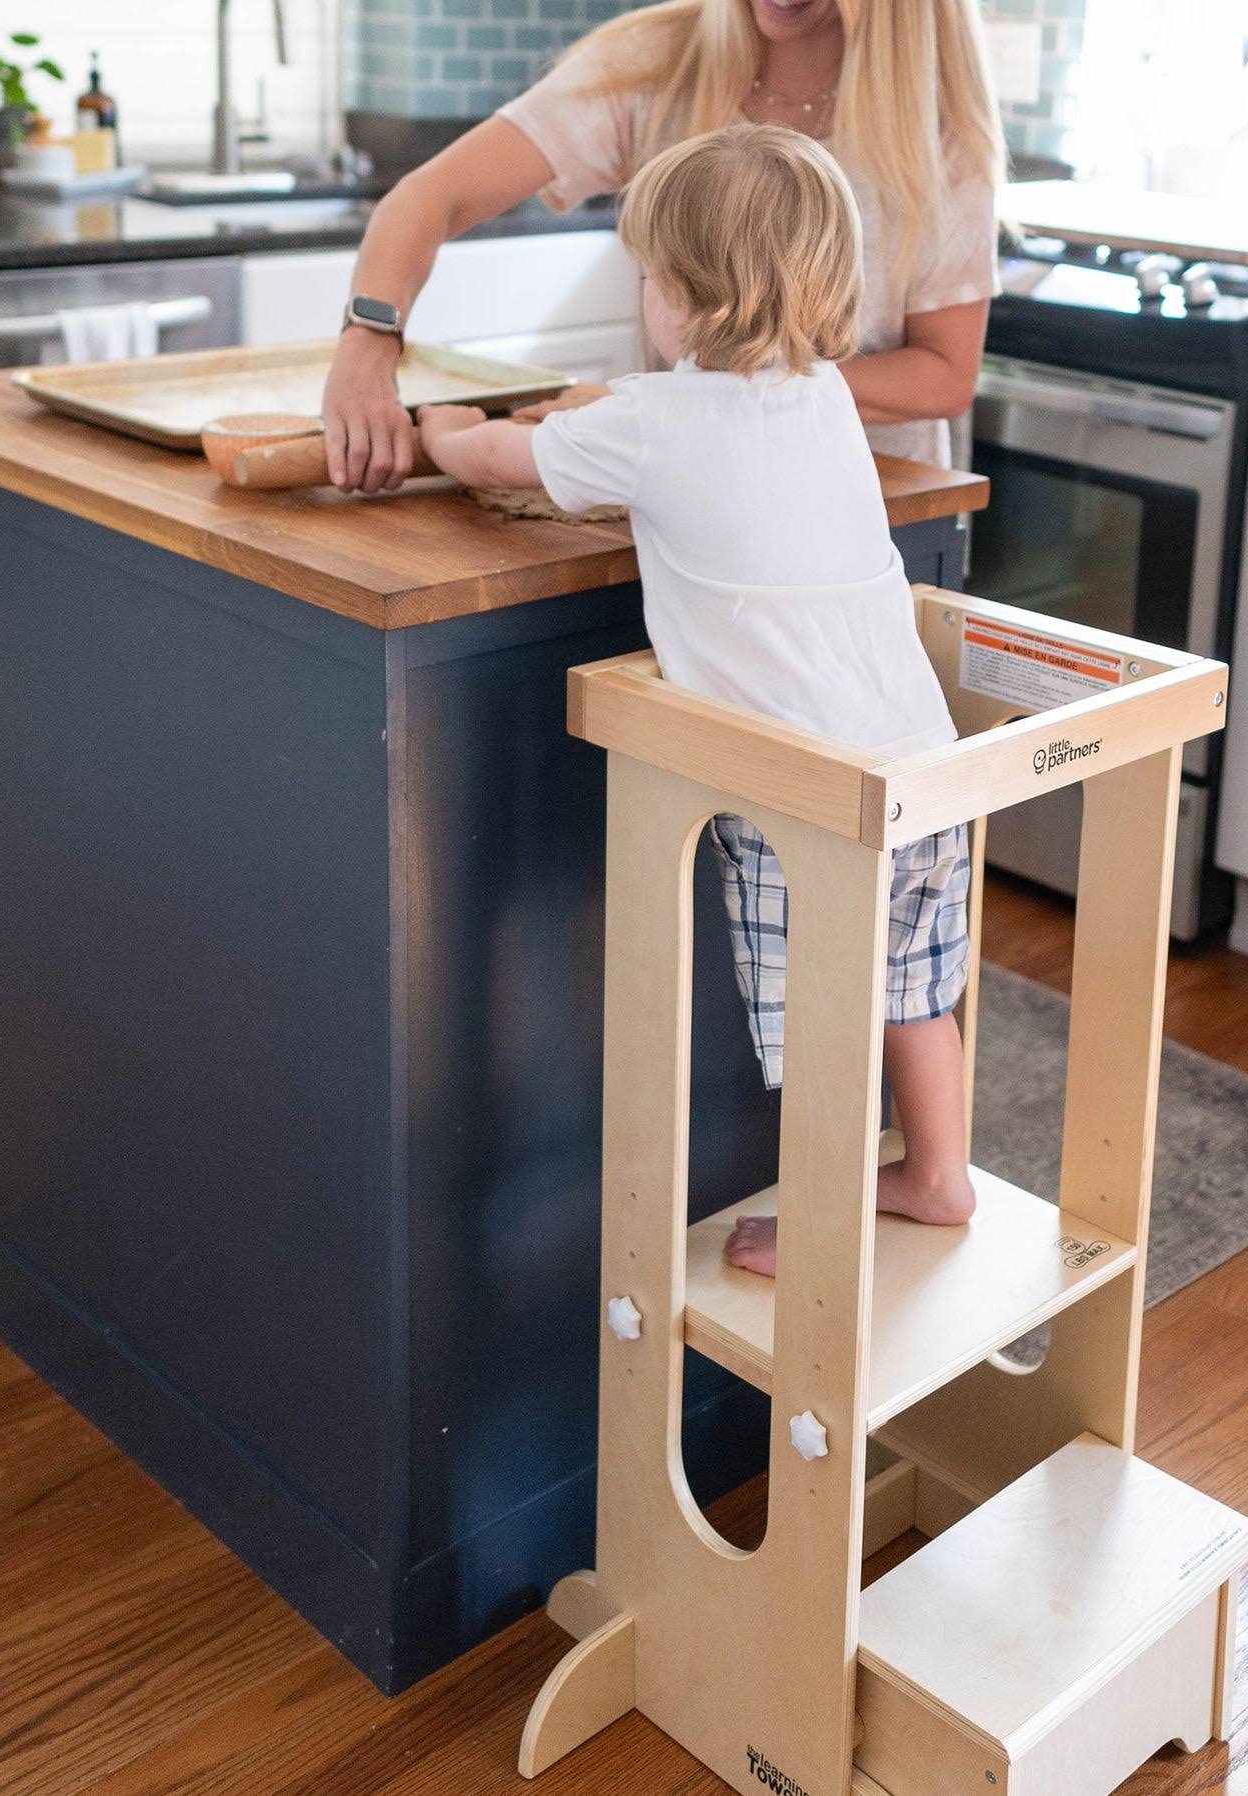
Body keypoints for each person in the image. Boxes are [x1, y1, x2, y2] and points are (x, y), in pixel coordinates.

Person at [417, 124, 976, 1277]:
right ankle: (936, 1176)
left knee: (821, 1012)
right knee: (908, 990)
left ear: (681, 296)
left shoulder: (655, 421)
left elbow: (493, 467)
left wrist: (445, 427)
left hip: (800, 796)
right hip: (919, 768)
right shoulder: (824, 396)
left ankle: (822, 1228)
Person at [322, 0, 1002, 493]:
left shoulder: (940, 127)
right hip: (694, 516)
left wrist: (675, 408)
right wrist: (368, 338)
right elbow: (429, 199)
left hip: (882, 511)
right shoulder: (655, 67)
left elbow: (942, 375)